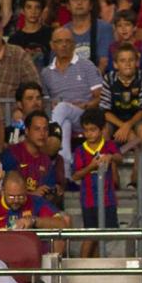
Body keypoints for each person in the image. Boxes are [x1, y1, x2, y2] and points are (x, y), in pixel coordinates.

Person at [41, 28, 102, 175]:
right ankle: (67, 172)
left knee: (62, 108)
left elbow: (100, 97)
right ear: (52, 45)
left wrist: (84, 105)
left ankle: (50, 137)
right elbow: (45, 101)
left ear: (74, 44)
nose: (63, 45)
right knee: (65, 123)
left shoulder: (86, 65)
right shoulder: (46, 73)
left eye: (67, 41)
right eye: (59, 41)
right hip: (63, 117)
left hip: (84, 115)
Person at [71, 108, 121, 258]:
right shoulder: (80, 151)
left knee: (102, 236)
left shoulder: (108, 145)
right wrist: (91, 167)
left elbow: (120, 158)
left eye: (93, 130)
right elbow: (75, 176)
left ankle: (94, 265)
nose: (89, 134)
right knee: (91, 234)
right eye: (86, 130)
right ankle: (80, 266)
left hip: (107, 199)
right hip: (89, 200)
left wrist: (110, 157)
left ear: (102, 129)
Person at [0, 172, 69, 230]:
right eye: (11, 196)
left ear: (26, 191)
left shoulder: (36, 202)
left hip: (31, 254)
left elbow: (62, 223)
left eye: (21, 196)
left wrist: (34, 221)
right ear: (3, 191)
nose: (16, 200)